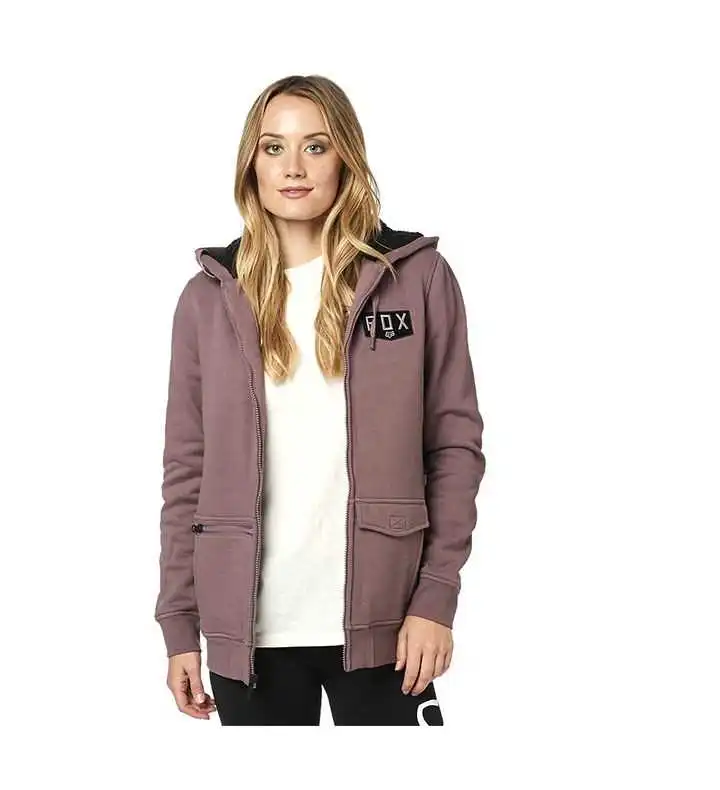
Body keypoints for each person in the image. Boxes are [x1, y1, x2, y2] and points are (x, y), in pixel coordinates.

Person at [154, 74, 486, 725]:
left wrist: (435, 598)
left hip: (390, 625)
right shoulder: (207, 299)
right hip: (248, 632)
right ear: (252, 163)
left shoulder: (415, 277)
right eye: (273, 147)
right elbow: (186, 470)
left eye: (316, 145)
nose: (294, 168)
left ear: (345, 157)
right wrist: (179, 623)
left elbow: (454, 448)